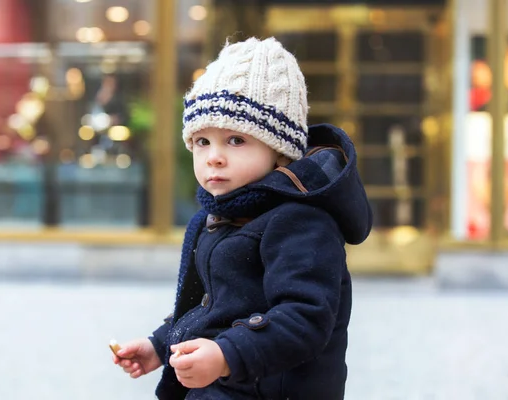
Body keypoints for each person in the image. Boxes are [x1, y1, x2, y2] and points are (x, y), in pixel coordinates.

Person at [112, 37, 373, 400]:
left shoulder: (302, 221)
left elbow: (306, 317)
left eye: (235, 140)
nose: (214, 157)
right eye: (202, 142)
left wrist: (226, 355)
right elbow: (214, 306)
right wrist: (160, 346)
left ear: (280, 153)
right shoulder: (219, 216)